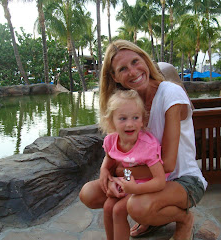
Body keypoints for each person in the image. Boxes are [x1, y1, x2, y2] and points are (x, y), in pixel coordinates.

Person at [79, 39, 207, 240]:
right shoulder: (129, 104)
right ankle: (153, 217)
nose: (132, 71)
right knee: (89, 193)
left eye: (135, 61)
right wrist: (106, 172)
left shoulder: (170, 94)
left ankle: (183, 219)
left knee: (138, 206)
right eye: (123, 68)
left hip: (183, 180)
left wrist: (121, 172)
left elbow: (169, 164)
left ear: (146, 61)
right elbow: (118, 147)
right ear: (115, 77)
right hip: (144, 177)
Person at [100, 89, 168, 240]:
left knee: (118, 210)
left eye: (135, 117)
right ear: (111, 121)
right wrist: (104, 169)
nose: (130, 124)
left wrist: (135, 189)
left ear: (142, 120)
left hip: (146, 185)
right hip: (129, 180)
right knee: (108, 207)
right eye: (122, 118)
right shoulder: (111, 140)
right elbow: (109, 156)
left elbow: (160, 180)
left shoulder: (147, 146)